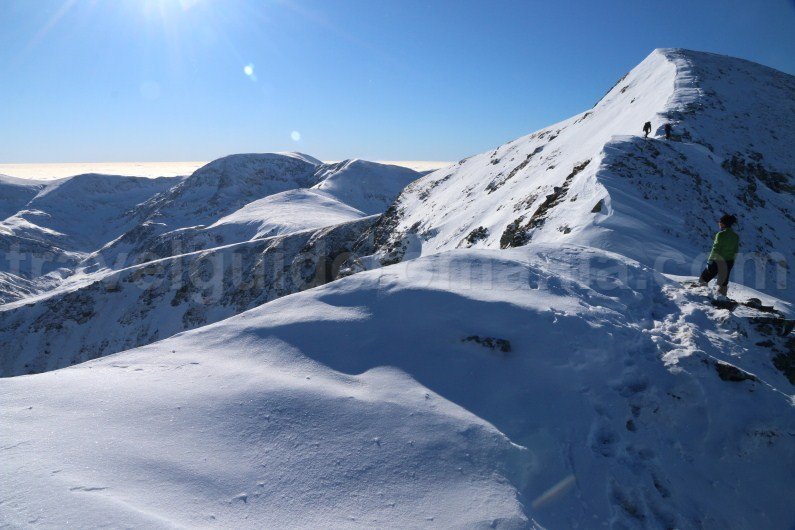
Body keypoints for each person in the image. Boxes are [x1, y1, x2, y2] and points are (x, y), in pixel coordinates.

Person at [698, 214, 740, 297]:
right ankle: (721, 298)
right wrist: (732, 261)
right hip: (729, 262)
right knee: (723, 282)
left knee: (704, 278)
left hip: (717, 260)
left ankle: (700, 295)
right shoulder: (736, 236)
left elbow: (716, 248)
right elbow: (736, 250)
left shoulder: (720, 235)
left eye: (720, 222)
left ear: (724, 224)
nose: (718, 223)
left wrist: (710, 260)